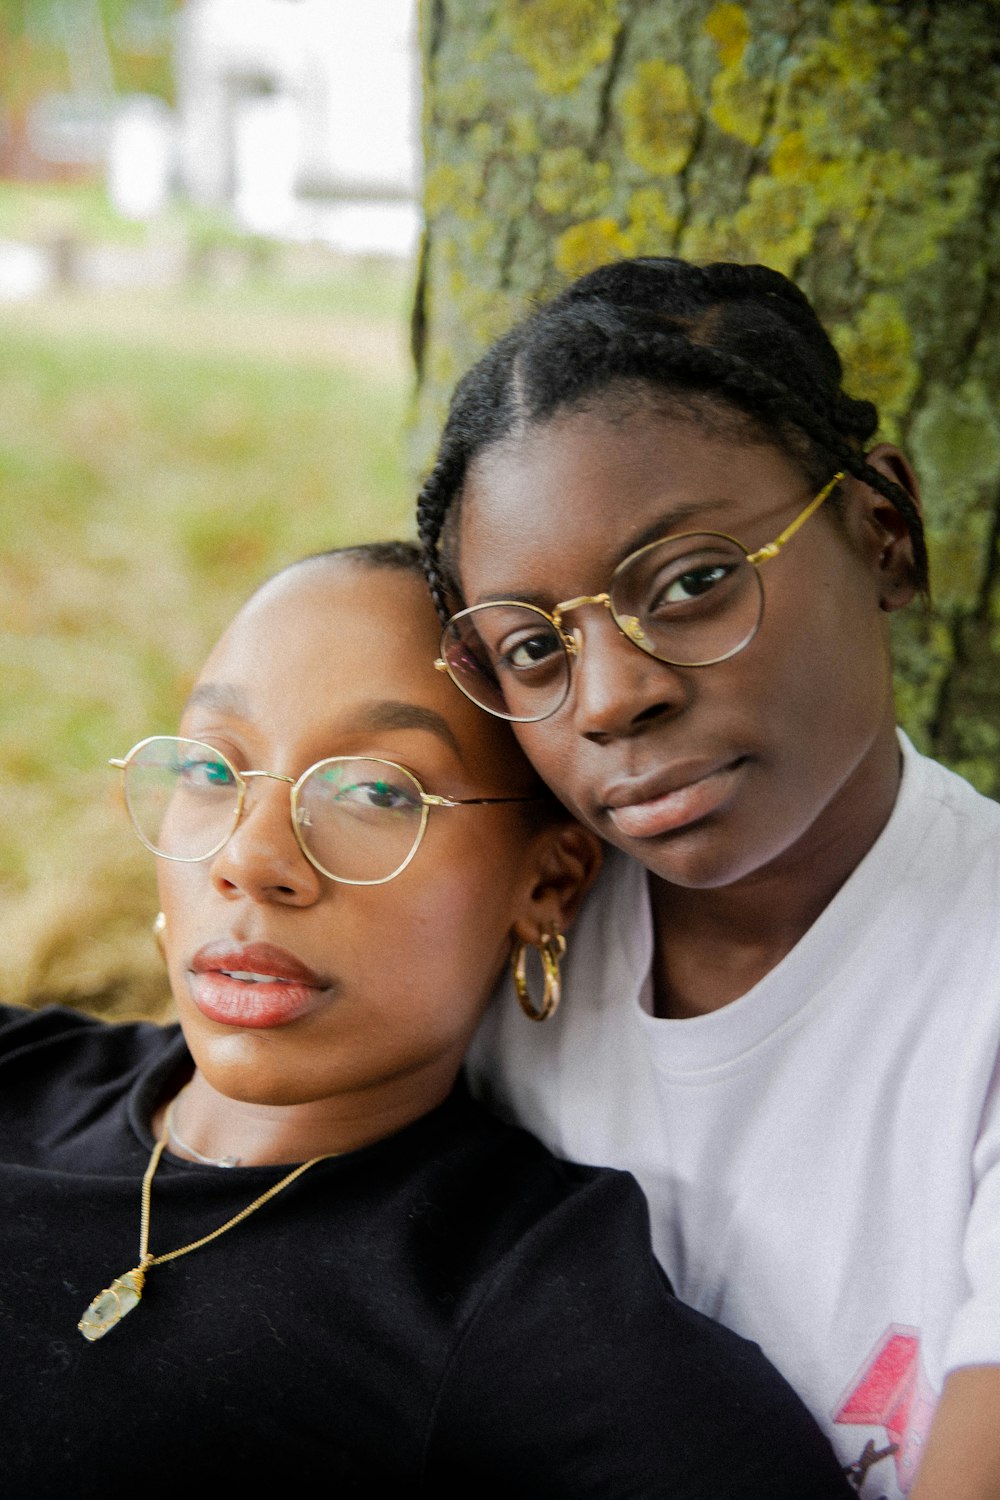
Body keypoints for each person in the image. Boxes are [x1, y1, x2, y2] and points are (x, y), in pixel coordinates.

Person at [0, 541, 853, 1498]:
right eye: (213, 770)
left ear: (547, 882)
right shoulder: (21, 1070)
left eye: (375, 793)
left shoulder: (508, 1296)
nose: (251, 857)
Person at [417, 256, 1000, 1500]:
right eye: (532, 649)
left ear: (881, 530)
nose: (617, 695)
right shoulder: (497, 944)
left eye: (690, 582)